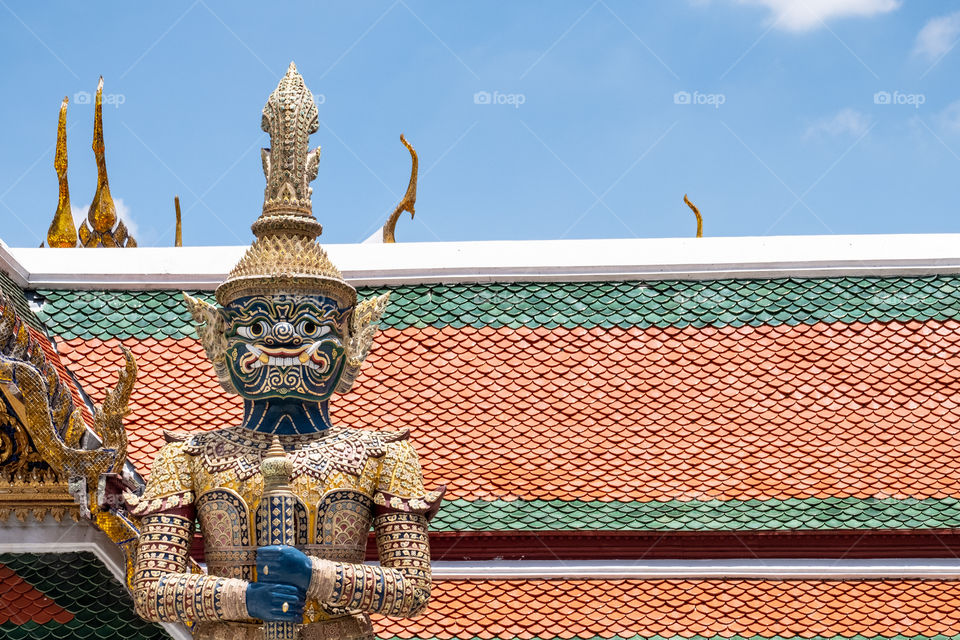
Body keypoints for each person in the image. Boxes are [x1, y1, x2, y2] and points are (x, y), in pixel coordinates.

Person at [128, 62, 443, 640]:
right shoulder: (190, 455)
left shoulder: (381, 455)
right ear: (218, 342)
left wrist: (315, 575)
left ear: (352, 342)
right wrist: (244, 595)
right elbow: (152, 588)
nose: (280, 341)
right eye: (256, 324)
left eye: (306, 326)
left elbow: (411, 588)